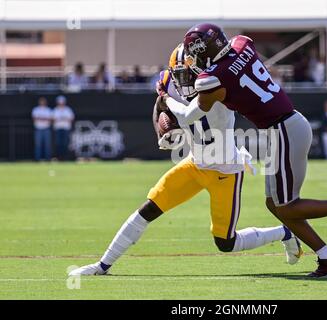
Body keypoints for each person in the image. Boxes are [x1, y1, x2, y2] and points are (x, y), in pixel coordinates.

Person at [160, 23, 327, 278]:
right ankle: (326, 255)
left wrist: (166, 99)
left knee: (288, 207)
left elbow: (189, 116)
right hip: (284, 126)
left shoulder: (212, 78)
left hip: (284, 130)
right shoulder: (241, 43)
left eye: (195, 53)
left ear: (204, 50)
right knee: (274, 204)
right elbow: (239, 61)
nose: (194, 60)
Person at [69, 44, 301, 276]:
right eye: (181, 74)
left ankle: (285, 232)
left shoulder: (217, 85)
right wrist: (162, 132)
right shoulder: (171, 80)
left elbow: (185, 113)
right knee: (149, 208)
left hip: (225, 170)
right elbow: (159, 106)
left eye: (190, 73)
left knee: (225, 243)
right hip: (194, 162)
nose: (186, 79)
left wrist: (167, 100)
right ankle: (103, 265)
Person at [53, 95, 75, 160]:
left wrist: (61, 119)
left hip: (66, 128)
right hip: (58, 128)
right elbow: (53, 119)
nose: (61, 103)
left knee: (65, 143)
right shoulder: (55, 110)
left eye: (62, 102)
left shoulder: (68, 109)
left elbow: (71, 118)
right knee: (58, 143)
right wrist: (63, 118)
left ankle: (65, 157)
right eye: (60, 102)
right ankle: (59, 157)